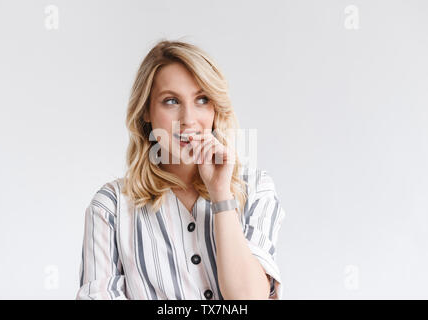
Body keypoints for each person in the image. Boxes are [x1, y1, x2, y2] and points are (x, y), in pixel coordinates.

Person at [76, 39, 286, 300]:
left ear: (214, 108)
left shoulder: (254, 189)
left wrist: (221, 195)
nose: (188, 120)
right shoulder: (112, 206)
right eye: (171, 101)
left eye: (202, 99)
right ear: (146, 111)